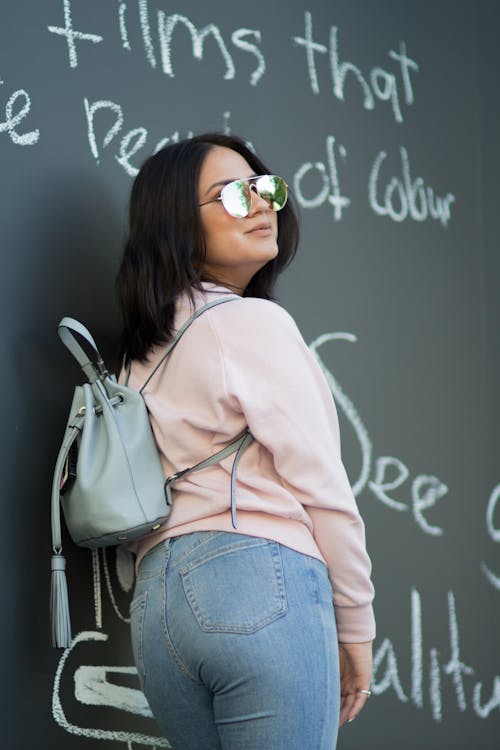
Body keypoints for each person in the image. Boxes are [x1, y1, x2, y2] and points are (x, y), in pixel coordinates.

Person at [116, 132, 375, 750]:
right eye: (232, 195)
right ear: (178, 223)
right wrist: (356, 625)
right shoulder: (249, 323)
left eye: (265, 189)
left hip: (158, 609)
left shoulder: (139, 353)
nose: (262, 205)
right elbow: (324, 487)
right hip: (258, 579)